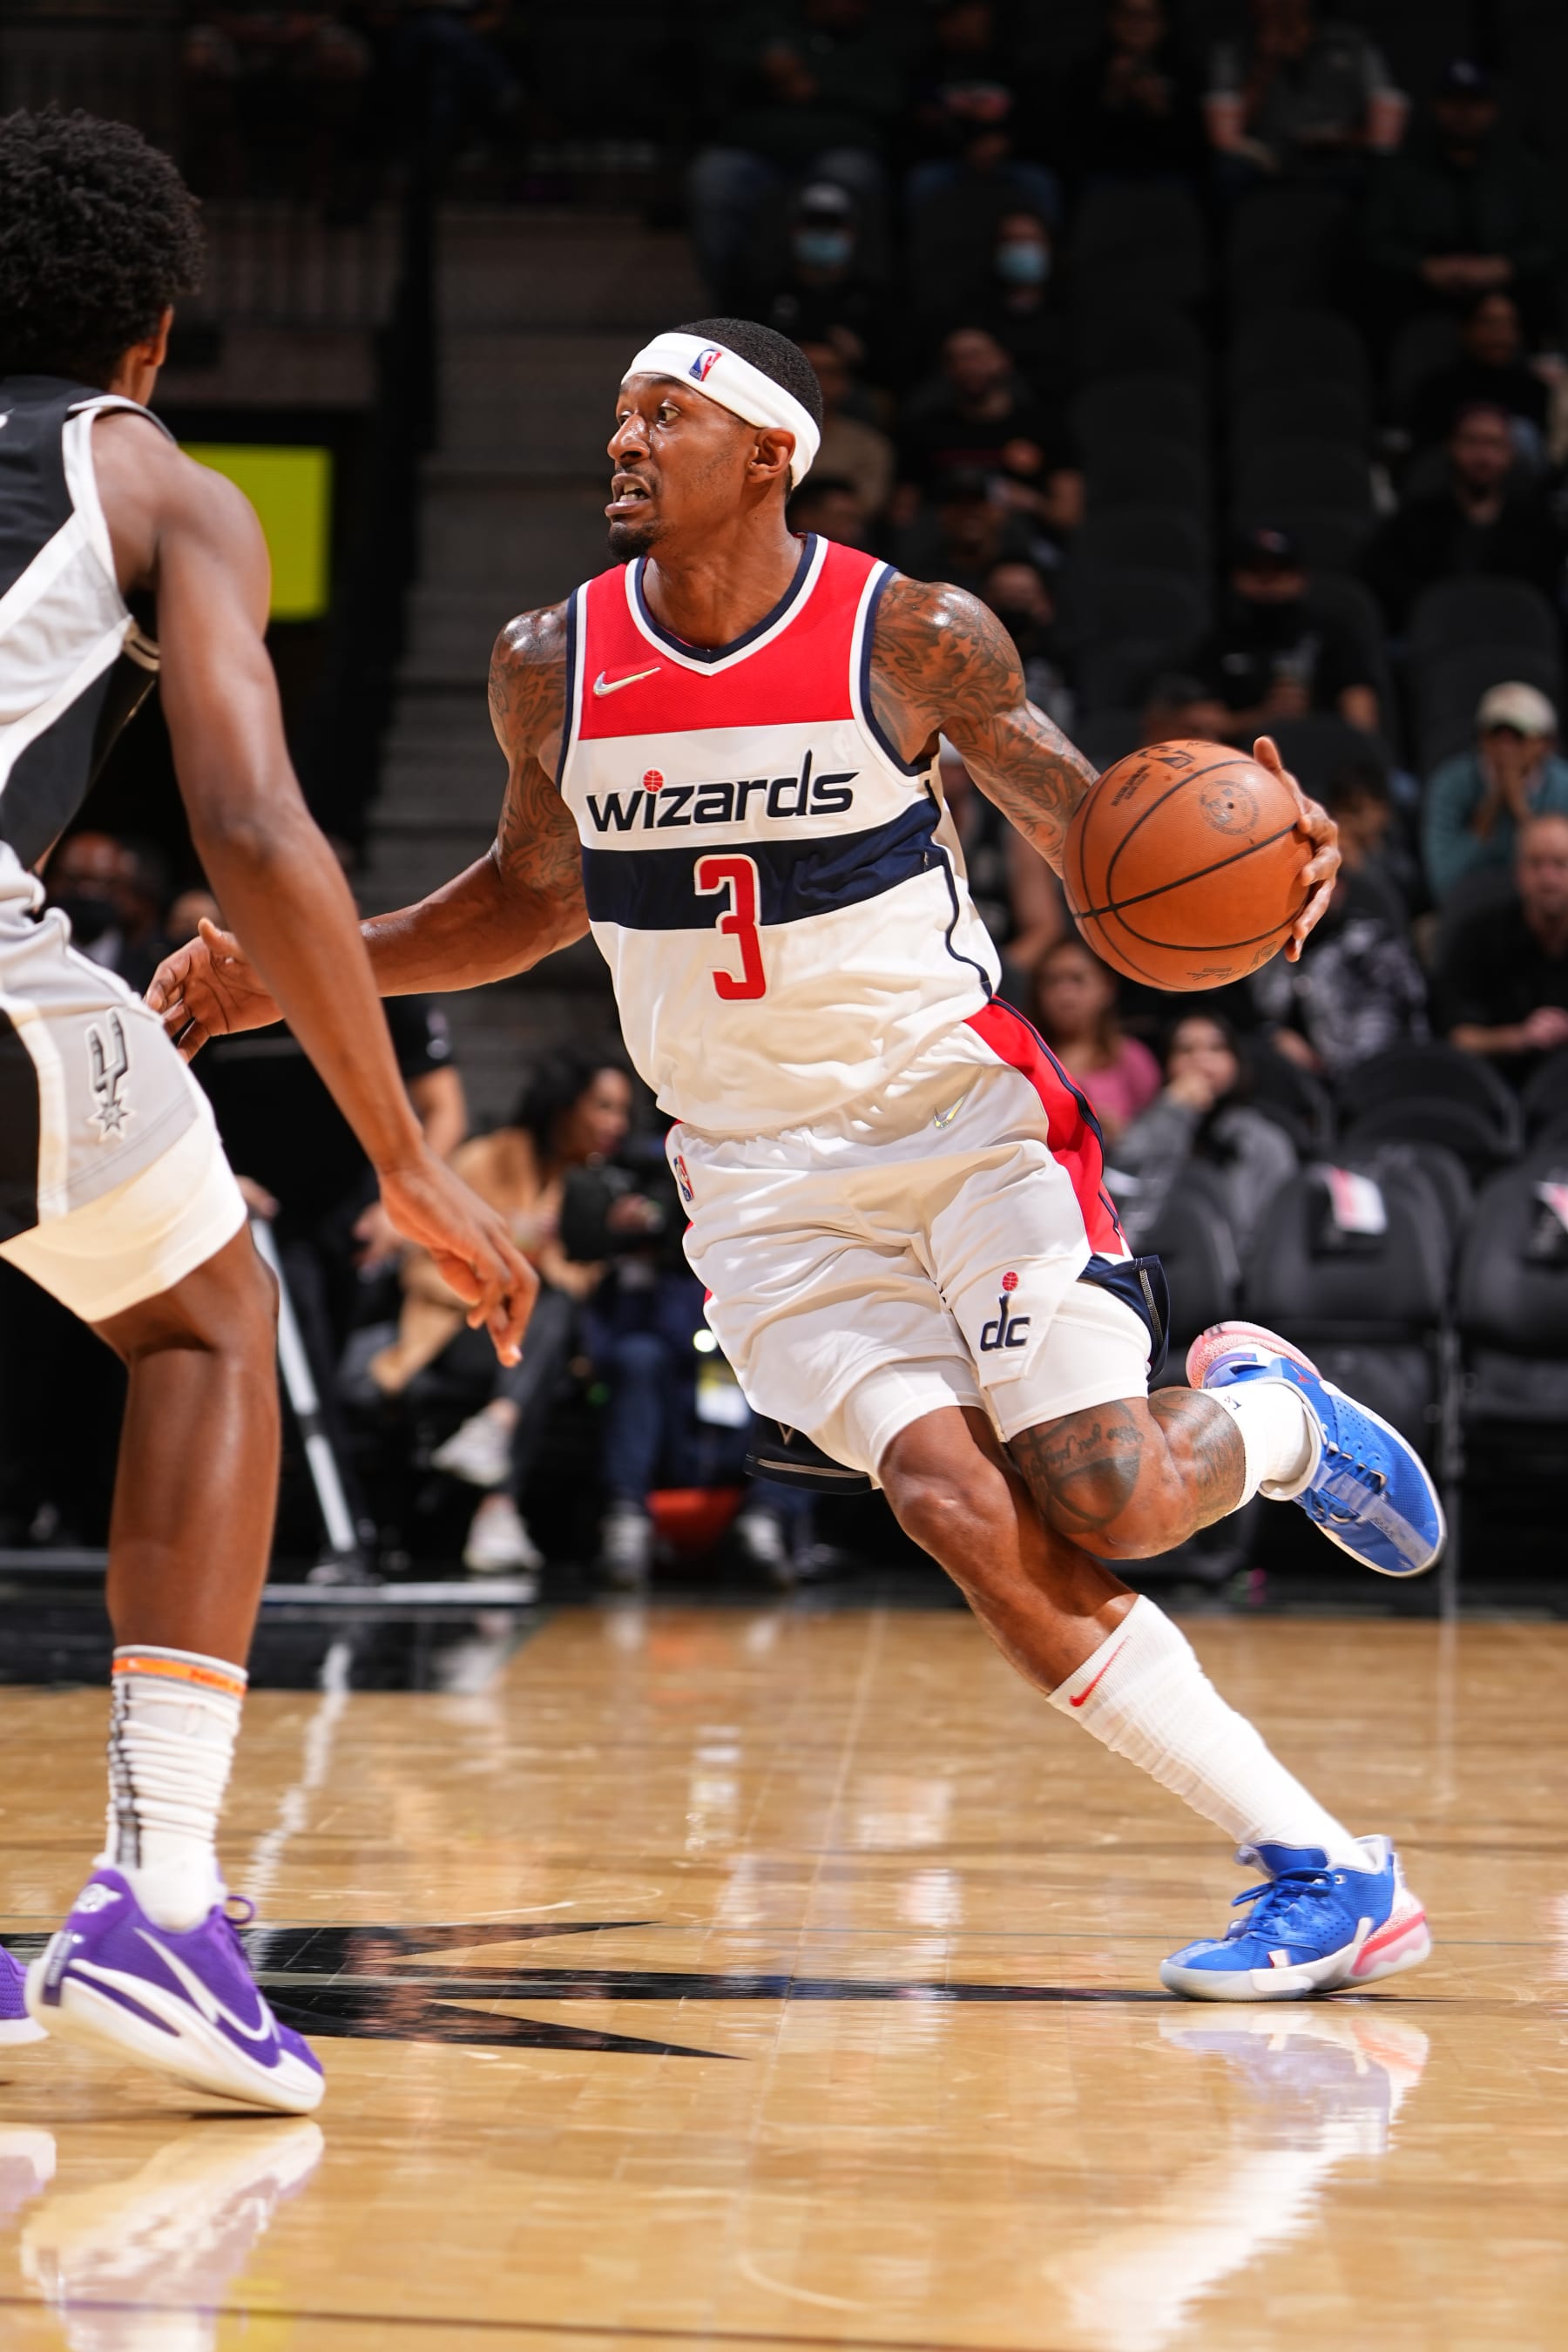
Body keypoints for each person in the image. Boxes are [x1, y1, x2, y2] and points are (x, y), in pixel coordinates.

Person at [155, 314, 1445, 2004]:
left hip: (961, 1123)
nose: (624, 444)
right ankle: (1325, 1868)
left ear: (771, 453)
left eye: (663, 417)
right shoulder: (550, 661)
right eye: (618, 417)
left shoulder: (909, 636)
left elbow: (1090, 825)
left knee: (1111, 1496)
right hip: (758, 1184)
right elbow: (530, 900)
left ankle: (1272, 1415)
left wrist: (1266, 859)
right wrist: (302, 964)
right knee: (948, 1501)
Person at [0, 109, 531, 2111]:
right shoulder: (158, 481)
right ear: (147, 339)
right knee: (211, 1314)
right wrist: (402, 1153)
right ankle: (161, 1893)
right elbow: (249, 818)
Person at [388, 1057, 645, 1583]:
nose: (616, 1123)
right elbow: (419, 1267)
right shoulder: (487, 1157)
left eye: (623, 1111)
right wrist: (499, 1286)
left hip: (537, 1344)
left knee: (550, 1319)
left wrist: (581, 1241)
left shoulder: (594, 1189)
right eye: (603, 1106)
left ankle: (496, 1465)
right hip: (460, 1327)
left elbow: (577, 1286)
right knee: (543, 1324)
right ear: (564, 1104)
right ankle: (498, 1473)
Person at [686, 3, 905, 303]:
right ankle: (731, 302)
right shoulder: (765, 22)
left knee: (855, 175)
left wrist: (817, 85)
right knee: (714, 179)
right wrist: (763, 67)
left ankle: (859, 303)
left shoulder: (877, 33)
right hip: (755, 150)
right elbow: (713, 63)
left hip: (837, 148)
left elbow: (893, 99)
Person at [1366, 60, 1559, 331]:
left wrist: (1506, 266)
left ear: (1492, 109)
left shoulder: (1523, 170)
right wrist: (1423, 267)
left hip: (1509, 294)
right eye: (1454, 103)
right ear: (1435, 107)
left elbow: (1549, 241)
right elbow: (1373, 241)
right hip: (1419, 295)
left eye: (1474, 103)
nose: (1464, 113)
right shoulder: (1399, 171)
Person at [1360, 403, 1566, 634]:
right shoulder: (1413, 523)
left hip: (1512, 644)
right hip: (1433, 642)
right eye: (1471, 441)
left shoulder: (1537, 530)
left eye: (1494, 444)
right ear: (1452, 447)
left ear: (1510, 454)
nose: (1483, 456)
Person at [1110, 1013, 1297, 1252]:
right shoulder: (1157, 1120)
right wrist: (1173, 1109)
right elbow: (1123, 1181)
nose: (1200, 1059)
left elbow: (1279, 1229)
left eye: (1216, 1048)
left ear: (1237, 1061)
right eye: (1185, 1050)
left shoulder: (1266, 1140)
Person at [898, 329, 1079, 542]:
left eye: (976, 355)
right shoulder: (926, 430)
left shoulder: (1043, 426)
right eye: (955, 359)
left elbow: (1068, 515)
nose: (967, 367)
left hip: (1021, 549)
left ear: (1002, 360)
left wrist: (1027, 500)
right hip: (944, 546)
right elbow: (902, 515)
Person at [1196, 528, 1380, 738]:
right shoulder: (1219, 642)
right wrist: (1263, 717)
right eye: (1255, 570)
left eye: (1279, 570)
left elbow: (1363, 724)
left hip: (1325, 755)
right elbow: (1200, 724)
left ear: (1300, 577)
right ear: (1236, 578)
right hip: (1239, 763)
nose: (1267, 580)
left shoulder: (1333, 635)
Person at [1204, 0, 1402, 185]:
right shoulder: (1236, 49)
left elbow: (1383, 122)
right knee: (1228, 169)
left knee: (1384, 170)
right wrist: (1265, 65)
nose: (1281, 7)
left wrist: (1346, 140)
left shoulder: (1351, 43)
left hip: (1340, 151)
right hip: (1268, 155)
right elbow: (1227, 132)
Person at [1436, 811, 1568, 1080]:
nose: (1547, 878)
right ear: (1519, 873)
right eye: (1535, 864)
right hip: (1499, 1087)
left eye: (1560, 864)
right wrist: (1520, 1037)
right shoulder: (1478, 937)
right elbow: (1458, 1038)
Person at [1424, 682, 1568, 906]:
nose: (1505, 748)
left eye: (1518, 737)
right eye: (1495, 735)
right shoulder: (1450, 783)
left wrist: (1521, 811)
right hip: (1473, 909)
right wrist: (1489, 812)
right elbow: (1444, 883)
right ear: (1481, 739)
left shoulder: (1563, 786)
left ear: (1543, 743)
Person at [1056, 0, 1203, 190]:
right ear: (1111, 19)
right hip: (1099, 178)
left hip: (1171, 178)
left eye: (1147, 17)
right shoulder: (1086, 69)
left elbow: (1195, 150)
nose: (1136, 25)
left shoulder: (1185, 70)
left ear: (1164, 23)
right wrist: (1112, 95)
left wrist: (1158, 107)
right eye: (1127, 14)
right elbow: (1072, 144)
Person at [1031, 937, 1160, 1143]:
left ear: (1106, 987)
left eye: (1078, 980)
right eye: (1052, 981)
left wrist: (1122, 1135)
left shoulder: (1131, 1058)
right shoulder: (1026, 1058)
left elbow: (1156, 1138)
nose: (1065, 995)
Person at [1406, 291, 1551, 462]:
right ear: (1466, 330)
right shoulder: (1438, 389)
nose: (1499, 335)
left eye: (1508, 324)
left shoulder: (1533, 391)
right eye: (1488, 323)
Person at [44, 830, 171, 995]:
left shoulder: (156, 968)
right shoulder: (25, 960)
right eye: (74, 881)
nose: (87, 893)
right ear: (52, 883)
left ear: (124, 891)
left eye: (101, 883)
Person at [797, 337, 894, 518]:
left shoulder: (870, 445)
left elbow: (866, 507)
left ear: (845, 382)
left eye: (829, 372)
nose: (818, 381)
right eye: (808, 371)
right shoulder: (758, 436)